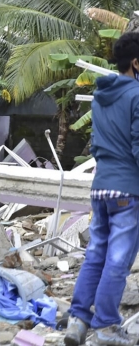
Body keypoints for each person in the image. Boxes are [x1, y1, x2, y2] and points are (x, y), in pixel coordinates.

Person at [64, 32, 139, 346]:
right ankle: (106, 326)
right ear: (136, 63)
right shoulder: (137, 95)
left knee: (96, 254)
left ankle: (77, 322)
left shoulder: (100, 95)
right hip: (126, 189)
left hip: (101, 187)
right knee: (118, 260)